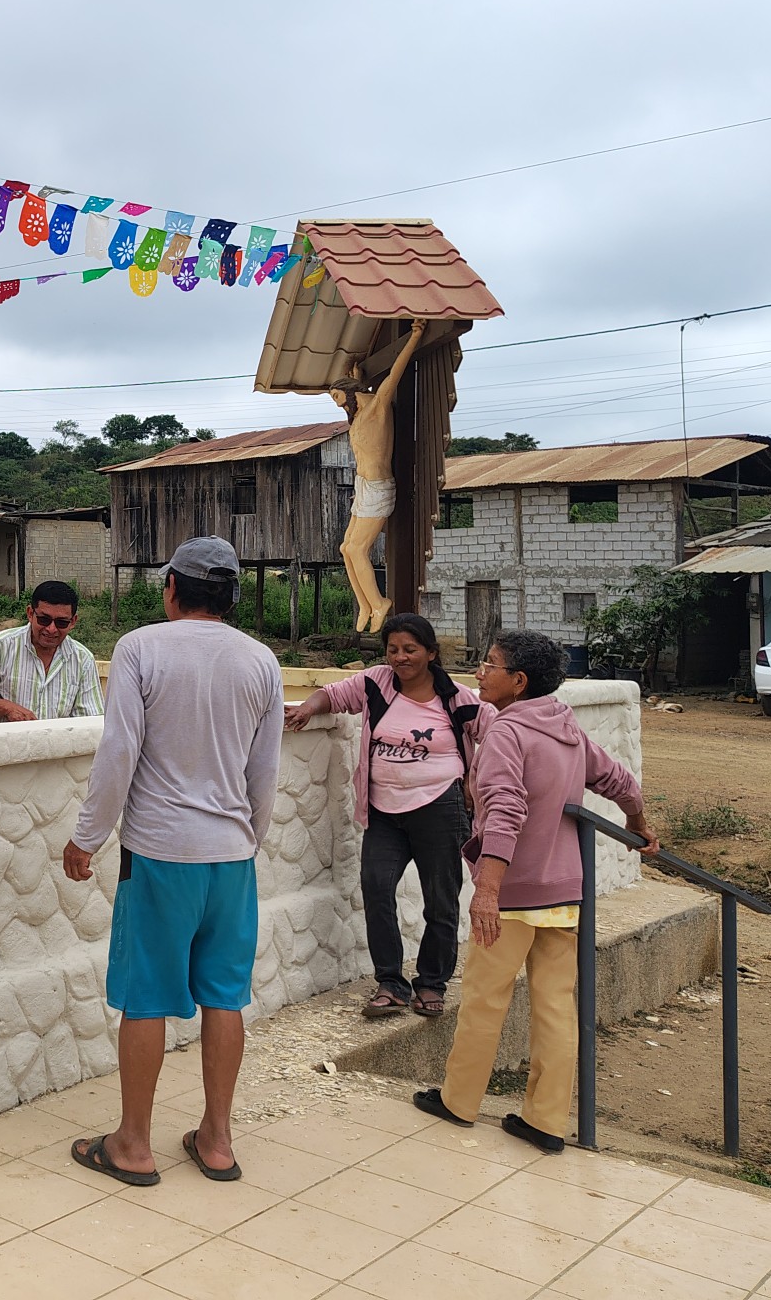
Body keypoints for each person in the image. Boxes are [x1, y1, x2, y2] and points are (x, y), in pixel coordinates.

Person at [61, 536, 284, 1187]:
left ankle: (133, 1144)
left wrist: (86, 838)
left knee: (147, 1000)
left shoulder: (140, 648)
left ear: (171, 588)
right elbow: (264, 771)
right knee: (224, 998)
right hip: (231, 857)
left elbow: (118, 753)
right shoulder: (261, 661)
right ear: (231, 595)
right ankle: (217, 1140)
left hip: (160, 853)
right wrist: (246, 839)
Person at [414, 630, 657, 1155]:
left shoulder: (506, 732)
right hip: (564, 892)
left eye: (490, 664)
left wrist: (487, 890)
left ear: (518, 681)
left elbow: (505, 809)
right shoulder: (564, 726)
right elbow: (619, 781)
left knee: (485, 1000)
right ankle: (545, 1122)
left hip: (514, 894)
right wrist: (639, 825)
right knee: (554, 1008)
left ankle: (459, 1101)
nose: (480, 672)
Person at [285, 612, 492, 1020]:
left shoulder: (457, 698)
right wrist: (308, 708)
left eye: (410, 650)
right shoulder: (376, 684)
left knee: (440, 901)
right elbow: (333, 695)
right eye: (393, 649)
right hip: (384, 812)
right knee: (377, 889)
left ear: (431, 653)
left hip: (441, 808)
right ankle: (391, 984)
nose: (400, 657)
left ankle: (431, 983)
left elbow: (500, 737)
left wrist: (474, 779)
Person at [332, 318, 427, 633]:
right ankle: (364, 604)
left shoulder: (377, 408)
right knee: (345, 548)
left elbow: (395, 372)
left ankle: (380, 602)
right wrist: (355, 377)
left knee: (358, 549)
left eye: (337, 397)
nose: (338, 405)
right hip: (363, 486)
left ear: (350, 394)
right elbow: (356, 389)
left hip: (378, 487)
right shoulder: (358, 416)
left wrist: (414, 336)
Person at [0, 580, 104, 723]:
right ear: (30, 613)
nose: (51, 629)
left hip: (59, 741)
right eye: (44, 620)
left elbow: (90, 719)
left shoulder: (83, 659)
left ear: (73, 622)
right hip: (11, 740)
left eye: (61, 623)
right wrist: (7, 708)